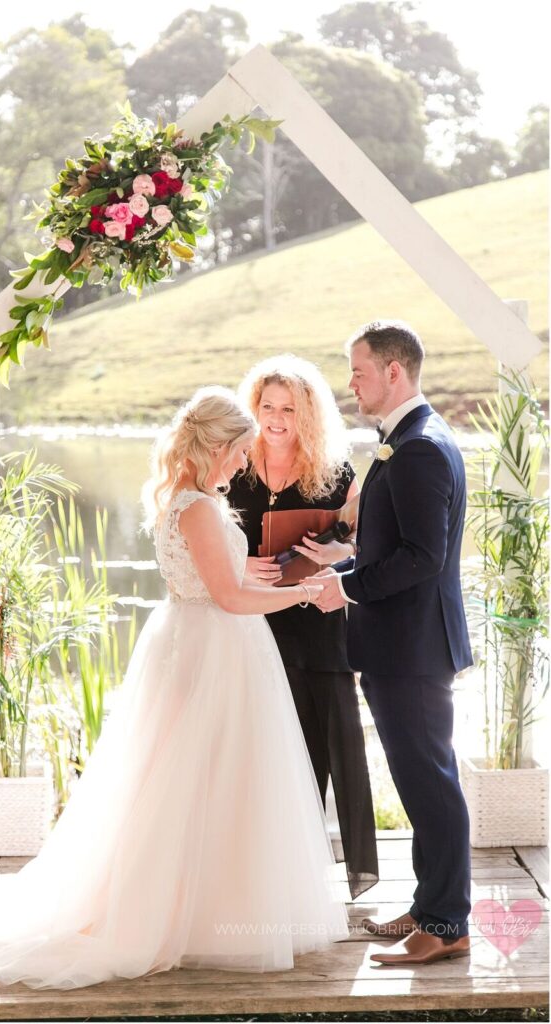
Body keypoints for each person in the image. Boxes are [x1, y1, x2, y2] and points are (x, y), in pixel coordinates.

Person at [0, 386, 348, 990]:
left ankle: (207, 913)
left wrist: (264, 575)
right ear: (218, 446)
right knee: (194, 781)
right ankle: (188, 917)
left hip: (205, 645)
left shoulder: (189, 499)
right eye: (239, 452)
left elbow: (218, 581)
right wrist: (307, 591)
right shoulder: (198, 507)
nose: (243, 464)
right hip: (212, 650)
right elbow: (228, 598)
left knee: (205, 780)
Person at [309, 321, 473, 966]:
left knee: (430, 783)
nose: (351, 383)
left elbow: (421, 558)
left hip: (411, 650)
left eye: (358, 371)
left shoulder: (421, 448)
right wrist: (345, 561)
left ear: (394, 372)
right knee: (421, 777)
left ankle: (447, 924)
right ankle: (430, 904)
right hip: (405, 646)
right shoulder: (408, 440)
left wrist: (345, 588)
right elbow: (395, 545)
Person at [227, 355, 378, 901]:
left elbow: (368, 542)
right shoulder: (234, 465)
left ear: (307, 414)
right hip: (253, 621)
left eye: (288, 408)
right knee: (263, 742)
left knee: (328, 742)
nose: (275, 417)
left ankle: (314, 870)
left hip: (319, 622)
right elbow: (204, 539)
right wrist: (240, 563)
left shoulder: (335, 473)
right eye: (267, 406)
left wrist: (342, 550)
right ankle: (256, 865)